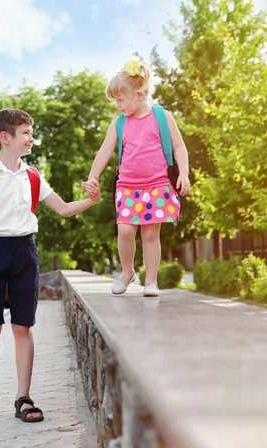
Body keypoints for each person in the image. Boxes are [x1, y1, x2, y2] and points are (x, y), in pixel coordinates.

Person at [0, 108, 101, 422]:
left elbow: (64, 209)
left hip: (25, 253)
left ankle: (23, 397)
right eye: (26, 132)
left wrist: (91, 201)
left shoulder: (33, 176)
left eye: (31, 132)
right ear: (5, 137)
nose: (31, 138)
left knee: (23, 327)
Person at [82, 59, 191, 297]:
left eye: (121, 100)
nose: (117, 105)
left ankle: (151, 281)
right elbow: (104, 151)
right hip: (128, 187)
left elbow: (179, 147)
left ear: (139, 94)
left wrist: (184, 173)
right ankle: (127, 271)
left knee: (150, 234)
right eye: (115, 101)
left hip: (157, 186)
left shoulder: (162, 117)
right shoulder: (119, 123)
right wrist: (93, 176)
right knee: (126, 231)